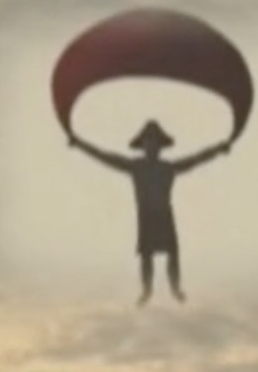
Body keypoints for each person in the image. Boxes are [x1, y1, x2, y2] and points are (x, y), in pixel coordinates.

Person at [67, 119, 231, 306]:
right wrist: (80, 144)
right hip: (146, 215)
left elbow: (195, 159)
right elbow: (105, 157)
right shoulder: (136, 167)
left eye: (155, 143)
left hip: (164, 214)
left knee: (172, 253)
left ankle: (175, 288)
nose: (151, 146)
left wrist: (218, 149)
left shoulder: (167, 168)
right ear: (143, 146)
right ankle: (147, 289)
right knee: (146, 256)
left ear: (160, 147)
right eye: (148, 142)